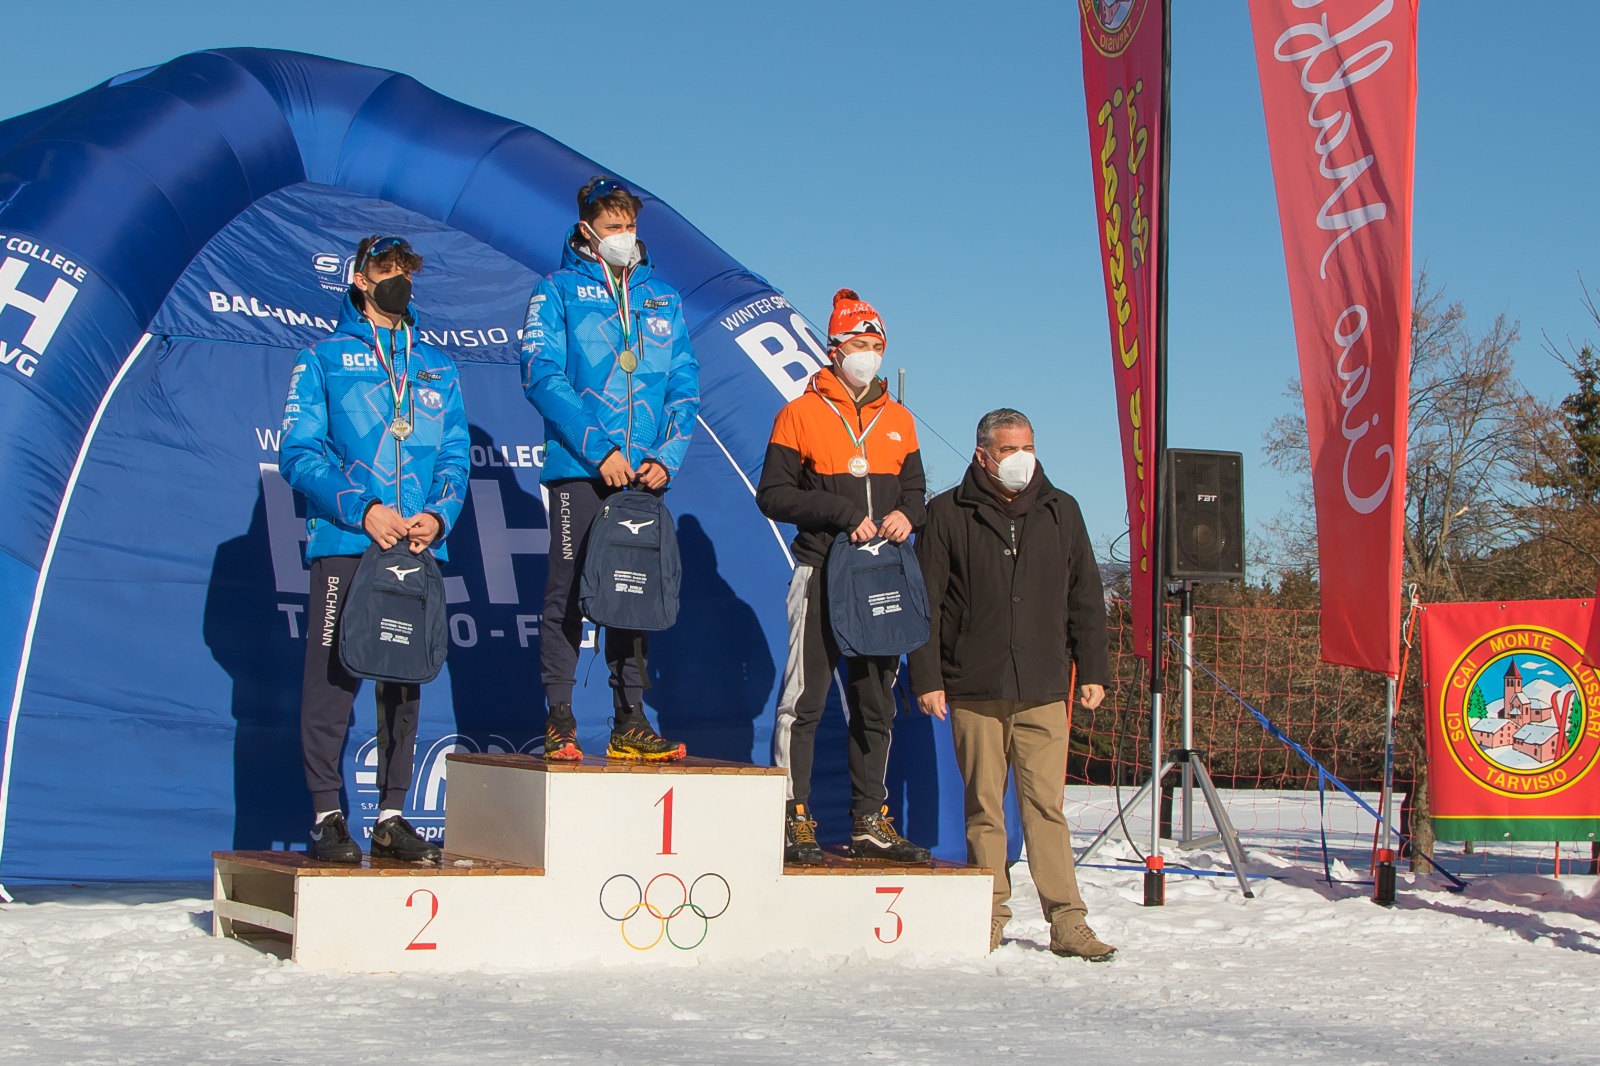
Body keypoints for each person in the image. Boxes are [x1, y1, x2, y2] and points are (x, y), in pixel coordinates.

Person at [279, 235, 470, 864]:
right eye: (385, 269)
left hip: (415, 543)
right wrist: (363, 510)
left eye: (405, 270)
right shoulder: (323, 358)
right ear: (360, 279)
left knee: (403, 678)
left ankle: (391, 816)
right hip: (348, 538)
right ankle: (326, 815)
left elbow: (455, 455)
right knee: (333, 675)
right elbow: (299, 452)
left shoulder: (437, 366)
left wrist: (437, 517)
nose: (398, 279)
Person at [909, 408, 1115, 959]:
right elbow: (925, 604)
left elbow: (1086, 594)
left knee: (1046, 808)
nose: (1021, 458)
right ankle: (989, 916)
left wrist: (1093, 668)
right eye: (1008, 449)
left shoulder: (1062, 510)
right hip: (973, 686)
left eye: (1028, 446)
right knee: (984, 808)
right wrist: (927, 677)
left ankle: (1068, 922)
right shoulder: (946, 513)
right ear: (983, 455)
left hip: (1044, 686)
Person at [522, 176, 700, 762]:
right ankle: (560, 720)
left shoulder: (662, 298)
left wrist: (665, 456)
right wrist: (600, 451)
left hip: (643, 472)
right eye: (612, 226)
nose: (624, 235)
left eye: (630, 225)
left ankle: (630, 721)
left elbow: (684, 386)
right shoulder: (557, 291)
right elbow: (542, 375)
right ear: (587, 230)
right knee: (568, 591)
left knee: (633, 592)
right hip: (582, 467)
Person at [756, 288, 931, 865]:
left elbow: (916, 492)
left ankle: (868, 821)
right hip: (823, 571)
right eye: (858, 343)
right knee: (804, 701)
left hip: (880, 577)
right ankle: (794, 816)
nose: (868, 354)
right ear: (834, 349)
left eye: (876, 345)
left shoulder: (899, 419)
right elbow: (772, 494)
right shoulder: (800, 413)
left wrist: (908, 514)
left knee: (875, 704)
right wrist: (840, 513)